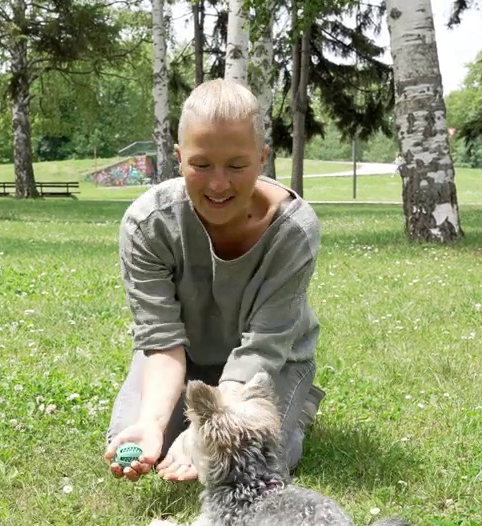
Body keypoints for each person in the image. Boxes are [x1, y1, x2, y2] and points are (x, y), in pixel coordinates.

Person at [103, 79, 325, 483]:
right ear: (179, 157)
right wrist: (153, 423)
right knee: (134, 441)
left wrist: (209, 430)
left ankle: (300, 402)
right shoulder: (147, 225)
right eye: (200, 165)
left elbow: (263, 347)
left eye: (237, 166)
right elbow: (162, 340)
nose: (218, 184)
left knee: (250, 463)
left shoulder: (295, 231)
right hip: (182, 358)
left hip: (269, 364)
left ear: (262, 159)